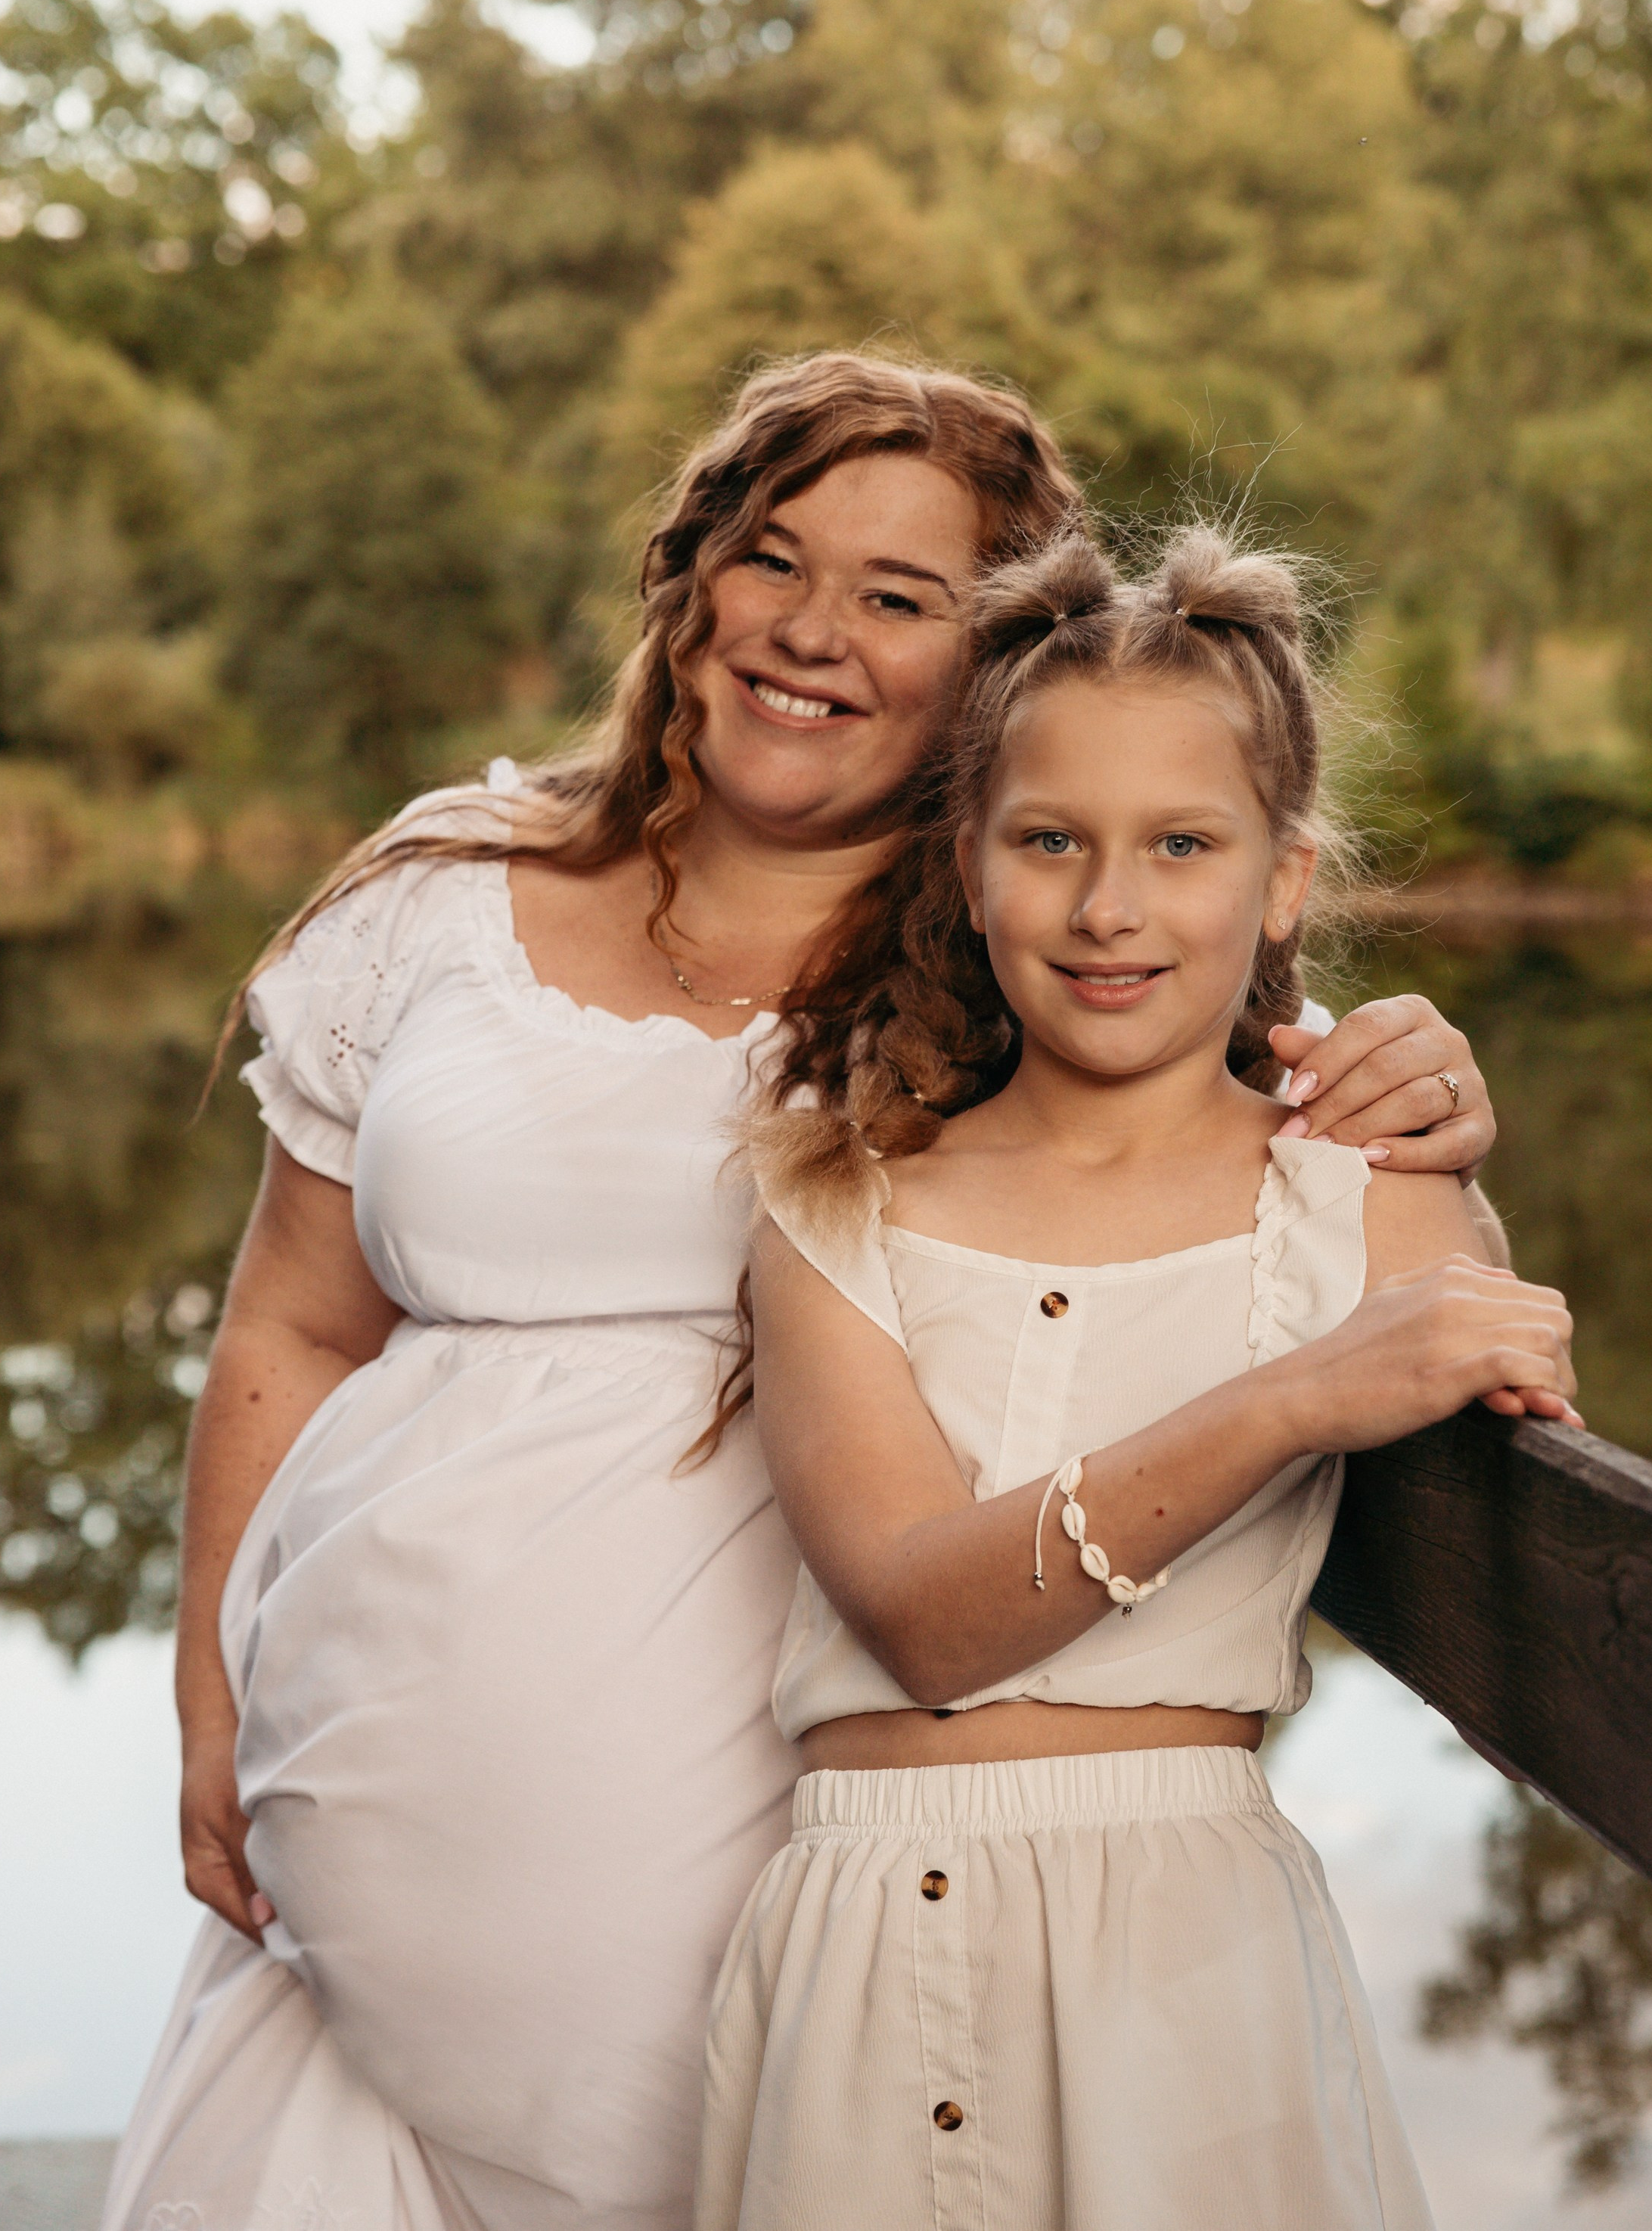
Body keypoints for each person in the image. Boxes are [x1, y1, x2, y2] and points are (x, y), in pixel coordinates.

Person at [103, 358, 1502, 2231]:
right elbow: (288, 1321)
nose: (812, 629)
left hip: (794, 1900)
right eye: (775, 558)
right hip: (335, 1918)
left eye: (901, 595)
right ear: (692, 585)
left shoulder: (1018, 961)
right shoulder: (446, 887)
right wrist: (210, 1700)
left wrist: (1426, 1085)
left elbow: (1252, 1098)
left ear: (991, 667)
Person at [696, 522, 1577, 2231]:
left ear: (1286, 880)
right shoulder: (832, 1192)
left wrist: (1459, 1177)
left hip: (1184, 1962)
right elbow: (920, 1615)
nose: (1111, 907)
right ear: (965, 860)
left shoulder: (1363, 1192)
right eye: (1050, 840)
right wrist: (1296, 1397)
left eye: (1184, 843)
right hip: (858, 1956)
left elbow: (1522, 1404)